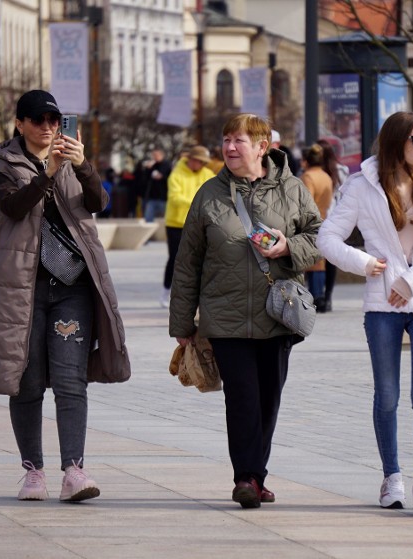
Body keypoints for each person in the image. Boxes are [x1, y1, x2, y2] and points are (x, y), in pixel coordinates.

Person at [0, 89, 131, 503]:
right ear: (20, 124)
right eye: (38, 120)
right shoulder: (2, 167)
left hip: (72, 289)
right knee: (25, 383)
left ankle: (74, 471)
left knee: (70, 380)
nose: (47, 127)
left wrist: (81, 167)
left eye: (53, 119)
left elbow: (97, 202)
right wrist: (47, 172)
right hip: (23, 290)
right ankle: (33, 471)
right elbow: (12, 209)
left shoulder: (71, 160)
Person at [169, 113, 322, 509]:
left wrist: (288, 246)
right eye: (227, 140)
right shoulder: (209, 194)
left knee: (269, 398)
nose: (230, 148)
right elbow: (188, 261)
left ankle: (257, 473)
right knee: (241, 399)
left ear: (262, 147)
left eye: (239, 141)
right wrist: (183, 322)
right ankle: (246, 478)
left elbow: (321, 238)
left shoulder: (293, 189)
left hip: (277, 314)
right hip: (225, 316)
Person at [317, 111, 413, 517]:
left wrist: (412, 282)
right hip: (381, 306)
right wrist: (364, 263)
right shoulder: (362, 186)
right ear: (397, 141)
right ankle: (392, 478)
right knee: (387, 395)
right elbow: (327, 237)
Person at [159, 145, 215, 308]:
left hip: (199, 223)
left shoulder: (208, 174)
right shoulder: (176, 174)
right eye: (199, 161)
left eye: (203, 162)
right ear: (191, 159)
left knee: (201, 258)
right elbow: (175, 198)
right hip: (176, 223)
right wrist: (198, 203)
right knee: (176, 259)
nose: (201, 165)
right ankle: (166, 290)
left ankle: (197, 293)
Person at [316, 138, 349, 313]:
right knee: (327, 260)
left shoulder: (340, 171)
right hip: (333, 218)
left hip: (330, 219)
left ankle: (325, 296)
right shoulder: (339, 171)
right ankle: (324, 297)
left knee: (326, 259)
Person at [300, 143, 334, 311]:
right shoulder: (326, 176)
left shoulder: (308, 177)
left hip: (311, 222)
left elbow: (306, 201)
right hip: (324, 219)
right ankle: (320, 296)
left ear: (306, 161)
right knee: (320, 261)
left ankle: (315, 297)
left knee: (312, 262)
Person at [142, 148, 171, 222]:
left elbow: (167, 177)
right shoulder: (152, 166)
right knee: (148, 217)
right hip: (152, 196)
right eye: (153, 155)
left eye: (156, 155)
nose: (155, 157)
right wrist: (148, 169)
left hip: (163, 196)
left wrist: (161, 176)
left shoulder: (167, 165)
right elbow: (145, 179)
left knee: (166, 217)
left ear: (162, 155)